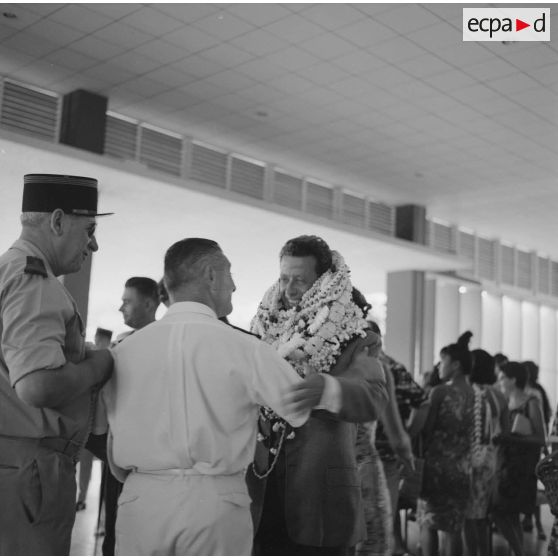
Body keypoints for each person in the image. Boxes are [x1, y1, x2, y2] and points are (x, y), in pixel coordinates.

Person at [100, 238, 323, 555]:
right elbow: (299, 408)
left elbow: (114, 460)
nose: (234, 285)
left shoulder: (123, 352)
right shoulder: (245, 348)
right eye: (229, 274)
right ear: (211, 276)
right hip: (214, 504)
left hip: (141, 501)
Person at [248, 235, 388, 555]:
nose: (289, 289)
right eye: (284, 278)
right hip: (264, 495)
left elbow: (373, 395)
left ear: (323, 281)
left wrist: (327, 388)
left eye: (300, 279)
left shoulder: (355, 336)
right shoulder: (262, 330)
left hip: (321, 504)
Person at [0, 173, 113, 555]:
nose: (93, 244)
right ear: (58, 221)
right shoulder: (35, 282)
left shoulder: (9, 270)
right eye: (90, 229)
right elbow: (37, 385)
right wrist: (100, 366)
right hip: (30, 470)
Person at [93, 277, 159, 555]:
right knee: (113, 529)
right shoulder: (121, 342)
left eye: (127, 301)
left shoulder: (160, 344)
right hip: (113, 446)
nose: (121, 308)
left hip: (144, 457)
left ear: (148, 303)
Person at [417, 331, 474, 556]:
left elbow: (426, 430)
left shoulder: (440, 392)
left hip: (436, 467)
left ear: (456, 365)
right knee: (454, 528)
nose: (439, 366)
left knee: (429, 523)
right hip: (463, 468)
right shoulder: (477, 395)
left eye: (443, 361)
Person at [492, 361, 546, 555]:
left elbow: (541, 438)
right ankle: (518, 552)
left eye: (501, 378)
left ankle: (519, 552)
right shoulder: (506, 403)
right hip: (505, 463)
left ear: (513, 380)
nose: (499, 382)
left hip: (520, 466)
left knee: (501, 511)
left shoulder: (531, 402)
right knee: (508, 514)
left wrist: (510, 438)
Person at [463, 348, 509, 555]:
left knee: (468, 517)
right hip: (492, 460)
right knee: (481, 517)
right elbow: (505, 433)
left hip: (467, 458)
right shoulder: (499, 395)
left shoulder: (466, 392)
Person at [521, 360, 551, 540]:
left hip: (528, 444)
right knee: (532, 484)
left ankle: (534, 522)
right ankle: (534, 523)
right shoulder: (538, 392)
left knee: (530, 485)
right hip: (534, 445)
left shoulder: (530, 394)